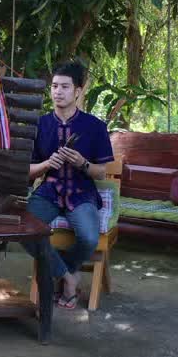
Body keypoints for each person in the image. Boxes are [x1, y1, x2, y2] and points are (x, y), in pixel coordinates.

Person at [23, 60, 114, 309]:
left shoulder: (95, 127)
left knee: (89, 238)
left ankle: (62, 270)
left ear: (78, 91)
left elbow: (101, 173)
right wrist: (46, 165)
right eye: (54, 86)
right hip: (49, 191)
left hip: (81, 192)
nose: (58, 92)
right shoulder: (40, 125)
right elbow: (27, 171)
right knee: (24, 231)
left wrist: (83, 163)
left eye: (64, 87)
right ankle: (69, 277)